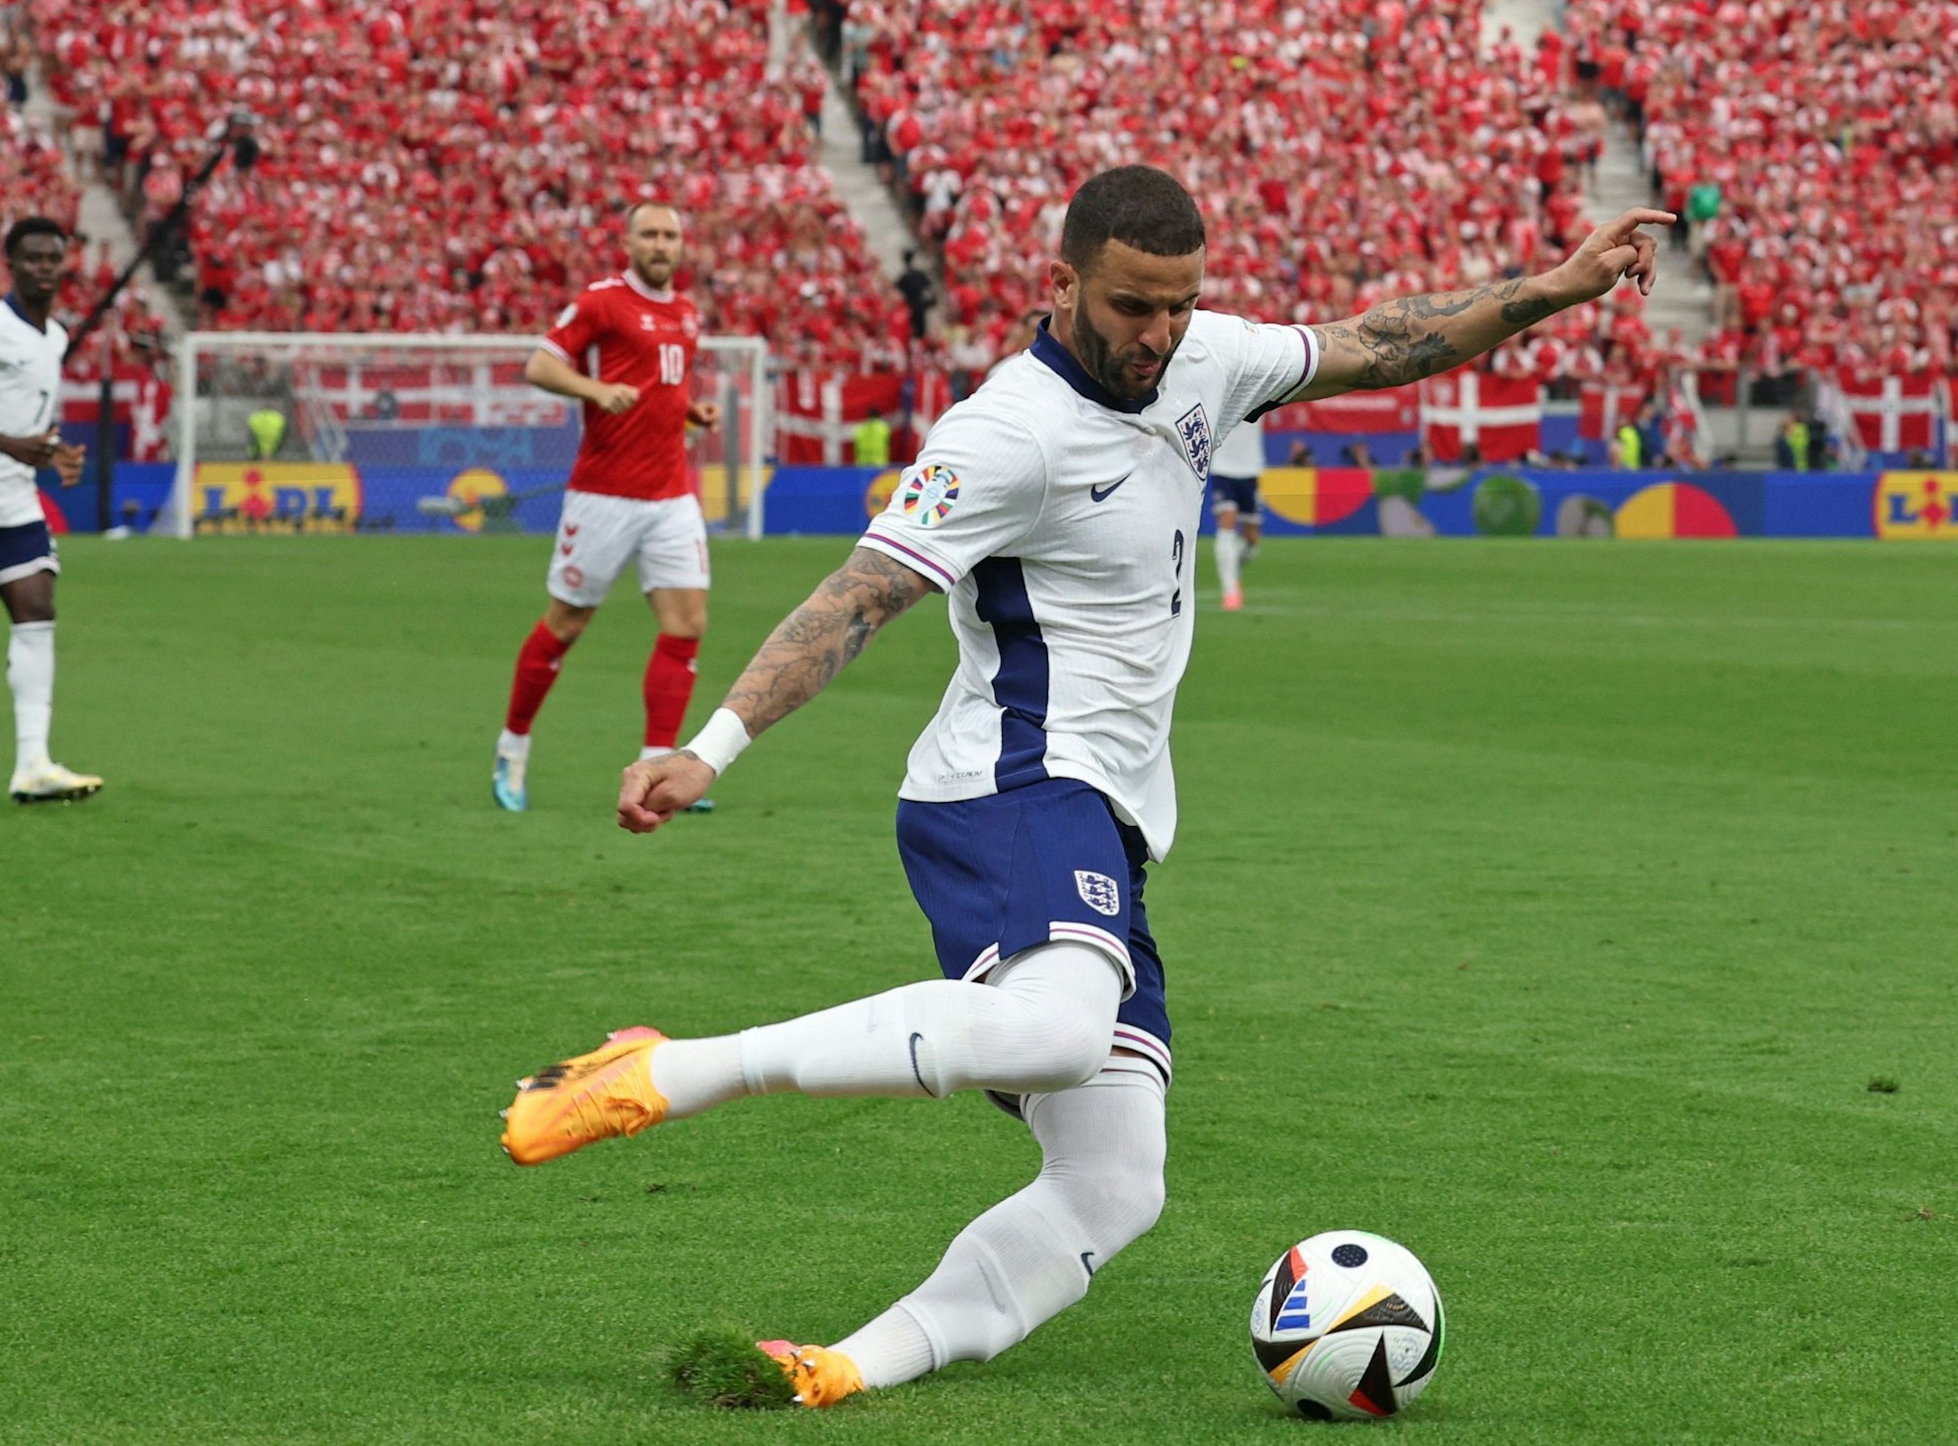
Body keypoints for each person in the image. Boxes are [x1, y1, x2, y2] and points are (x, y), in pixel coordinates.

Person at [501, 167, 1671, 1408]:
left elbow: (1375, 346)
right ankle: (669, 1068)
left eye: (1177, 305)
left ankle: (849, 1365)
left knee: (1115, 1182)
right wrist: (710, 747)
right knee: (1057, 1034)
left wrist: (1546, 291)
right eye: (1129, 307)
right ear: (1060, 284)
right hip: (1007, 780)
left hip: (1107, 814)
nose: (1156, 335)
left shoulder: (1205, 359)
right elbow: (859, 595)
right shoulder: (1003, 433)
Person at [491, 201, 722, 813]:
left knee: (686, 625)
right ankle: (512, 748)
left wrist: (690, 410)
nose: (660, 243)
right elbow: (539, 364)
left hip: (670, 496)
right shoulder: (601, 301)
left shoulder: (687, 311)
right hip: (602, 496)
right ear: (628, 243)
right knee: (566, 624)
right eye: (649, 233)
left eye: (670, 234)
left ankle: (657, 766)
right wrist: (595, 390)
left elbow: (666, 386)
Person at [0, 216, 101, 802]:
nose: (45, 267)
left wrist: (55, 451)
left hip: (14, 502)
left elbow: (31, 421)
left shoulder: (56, 337)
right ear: (11, 264)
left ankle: (33, 763)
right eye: (33, 258)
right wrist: (12, 446)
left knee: (37, 608)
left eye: (53, 258)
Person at [1207, 415, 1264, 610]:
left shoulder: (1259, 391)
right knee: (1227, 520)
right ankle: (1230, 592)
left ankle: (1233, 572)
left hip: (1250, 470)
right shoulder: (1219, 392)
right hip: (1223, 468)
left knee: (1252, 540)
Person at [896, 251, 936, 342]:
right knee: (922, 333)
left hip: (909, 308)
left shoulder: (903, 278)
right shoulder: (920, 274)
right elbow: (930, 289)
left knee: (912, 333)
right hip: (920, 306)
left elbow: (897, 292)